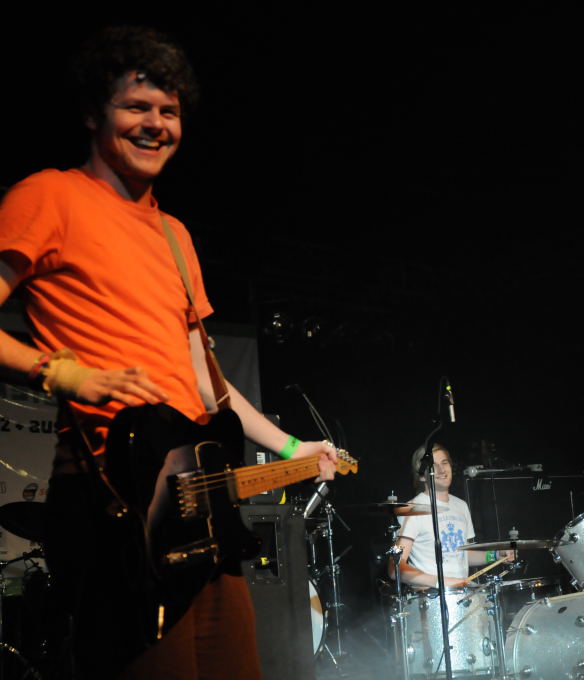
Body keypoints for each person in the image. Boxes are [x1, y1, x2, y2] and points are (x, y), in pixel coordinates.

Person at [0, 26, 338, 679]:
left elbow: (207, 381)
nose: (155, 124)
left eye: (169, 110)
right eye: (136, 106)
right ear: (93, 113)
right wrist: (60, 372)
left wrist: (292, 448)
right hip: (114, 503)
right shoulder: (48, 197)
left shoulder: (175, 235)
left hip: (196, 504)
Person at [390, 443, 512, 587]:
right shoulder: (412, 511)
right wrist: (441, 582)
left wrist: (496, 555)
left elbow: (464, 554)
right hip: (431, 594)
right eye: (434, 466)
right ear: (422, 476)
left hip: (462, 593)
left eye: (444, 463)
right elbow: (395, 568)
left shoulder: (461, 506)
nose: (442, 470)